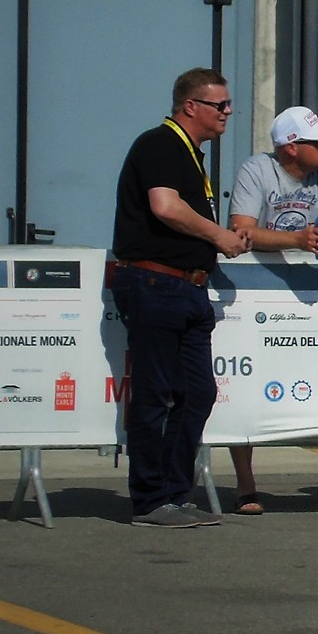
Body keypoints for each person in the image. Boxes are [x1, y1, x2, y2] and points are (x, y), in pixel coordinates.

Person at [110, 68, 251, 529]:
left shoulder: (191, 154)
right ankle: (150, 500)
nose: (228, 113)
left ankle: (175, 494)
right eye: (220, 105)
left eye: (228, 105)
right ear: (191, 106)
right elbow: (165, 207)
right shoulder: (160, 144)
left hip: (188, 287)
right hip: (156, 283)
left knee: (198, 392)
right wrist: (219, 237)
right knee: (157, 394)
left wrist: (225, 240)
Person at [224, 106, 318, 515]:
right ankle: (246, 486)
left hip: (305, 292)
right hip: (255, 289)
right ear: (291, 147)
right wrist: (296, 240)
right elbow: (240, 230)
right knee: (244, 386)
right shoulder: (256, 169)